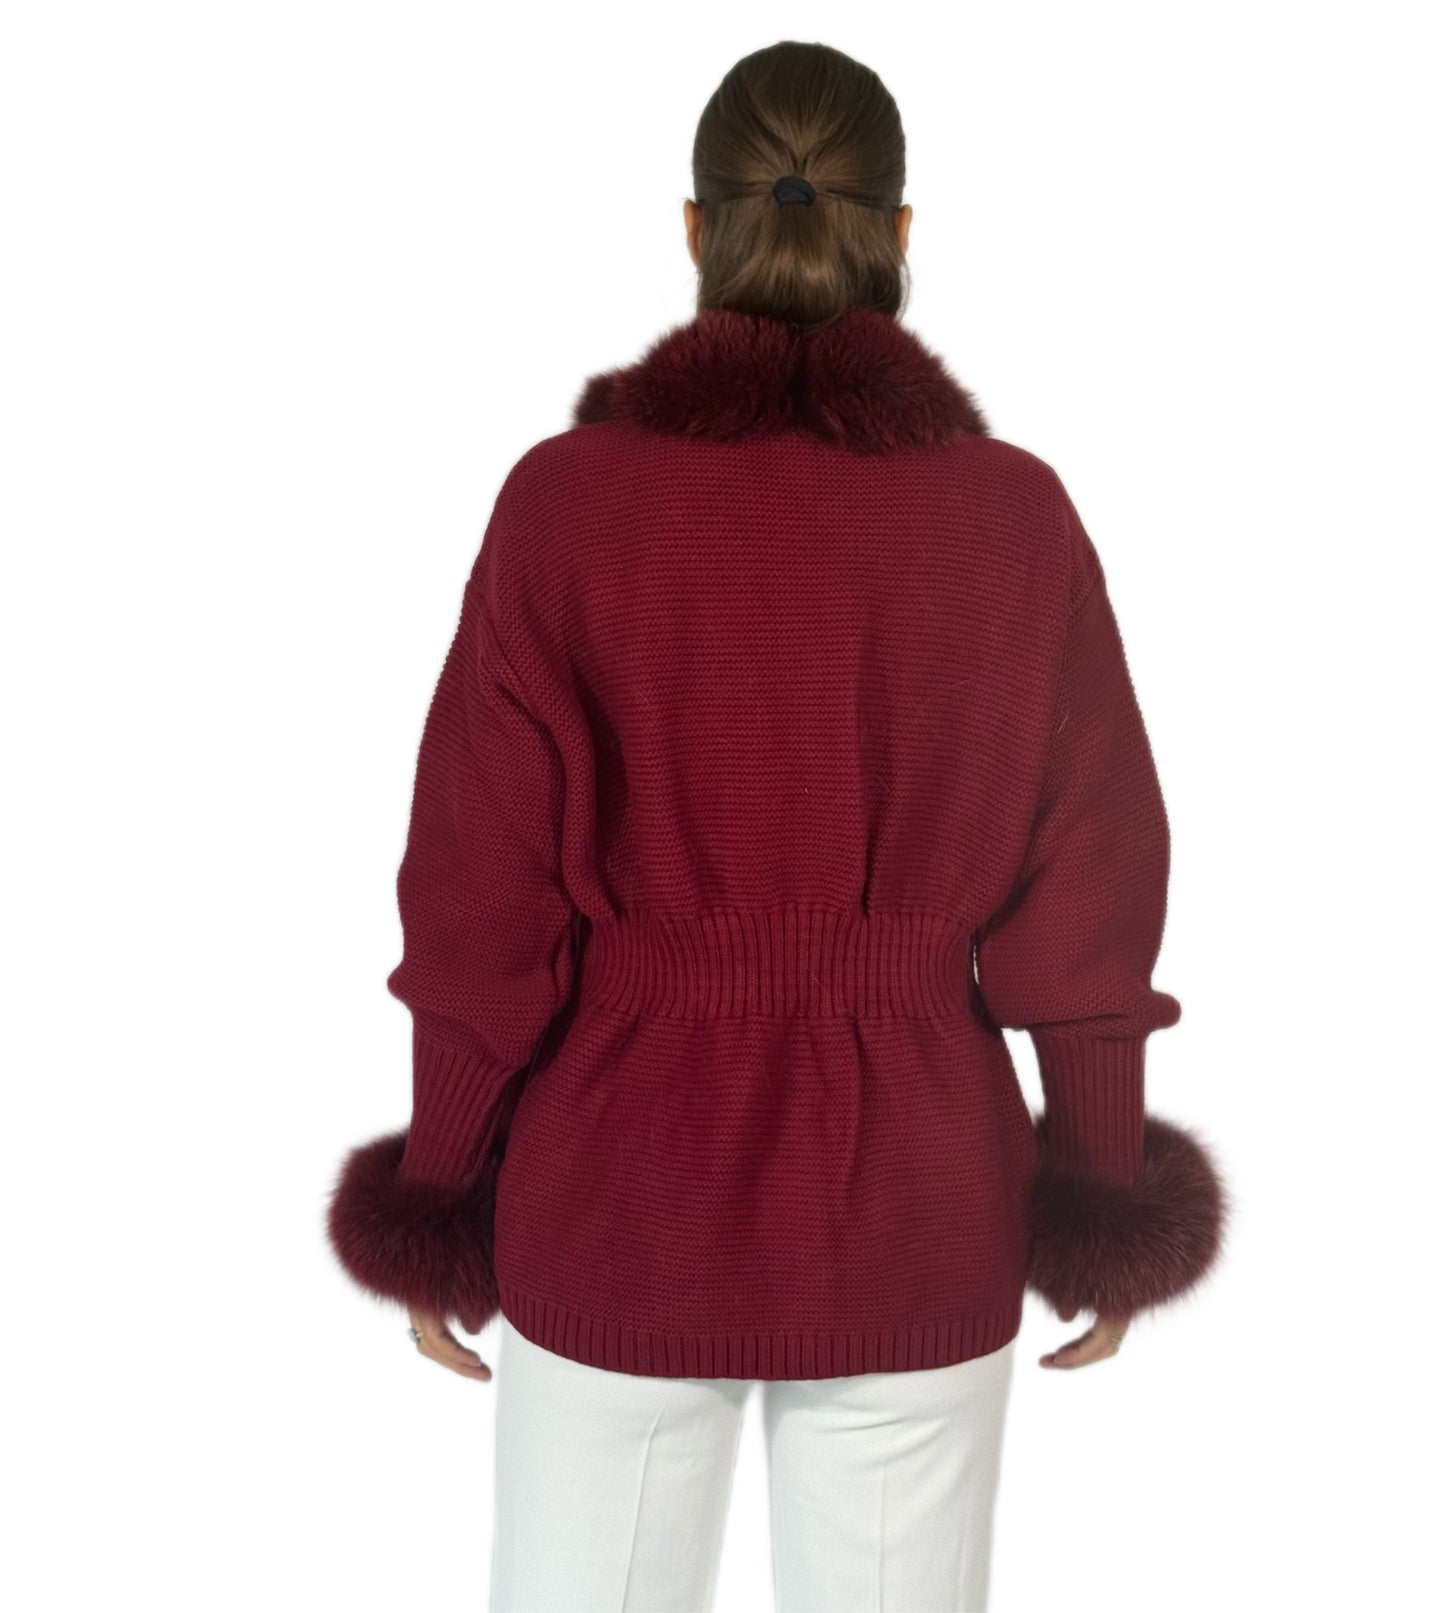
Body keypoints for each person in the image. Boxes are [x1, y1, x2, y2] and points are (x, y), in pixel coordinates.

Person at [325, 38, 1229, 1613]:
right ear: (899, 229)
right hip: (914, 1208)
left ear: (695, 230)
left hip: (615, 1199)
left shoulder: (564, 507)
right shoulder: (1010, 519)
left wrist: (444, 1180)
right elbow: (1090, 887)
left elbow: (477, 898)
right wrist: (1097, 1182)